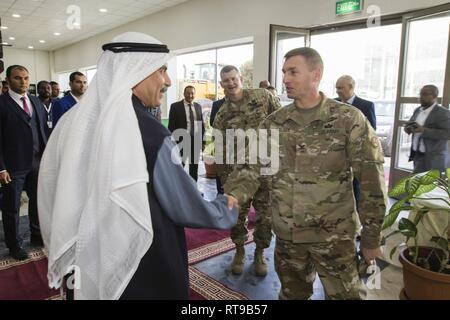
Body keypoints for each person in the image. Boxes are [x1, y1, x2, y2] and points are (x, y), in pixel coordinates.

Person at [37, 32, 238, 300]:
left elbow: (54, 186)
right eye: (162, 70)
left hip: (88, 253)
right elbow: (184, 205)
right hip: (141, 263)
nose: (167, 81)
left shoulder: (75, 120)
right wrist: (225, 208)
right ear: (137, 70)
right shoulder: (151, 133)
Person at [224, 47, 386, 299]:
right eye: (284, 72)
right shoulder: (274, 122)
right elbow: (250, 166)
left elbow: (371, 181)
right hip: (288, 239)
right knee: (291, 296)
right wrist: (233, 194)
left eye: (293, 72)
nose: (285, 79)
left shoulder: (348, 119)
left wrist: (371, 236)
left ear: (315, 74)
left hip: (334, 237)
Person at [213, 65, 281, 277]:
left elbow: (282, 122)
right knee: (237, 216)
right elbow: (221, 151)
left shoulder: (263, 97)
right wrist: (226, 183)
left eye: (233, 78)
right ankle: (240, 252)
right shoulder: (222, 115)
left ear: (240, 78)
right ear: (221, 84)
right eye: (226, 81)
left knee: (265, 216)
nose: (231, 83)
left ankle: (260, 253)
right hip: (238, 175)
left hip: (266, 172)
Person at [0, 65, 47, 261]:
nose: (24, 82)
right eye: (18, 78)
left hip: (37, 162)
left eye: (26, 78)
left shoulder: (35, 101)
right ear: (8, 80)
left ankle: (36, 235)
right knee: (12, 208)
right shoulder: (1, 104)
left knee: (38, 202)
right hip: (13, 166)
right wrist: (1, 167)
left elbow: (41, 130)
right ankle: (14, 244)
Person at [404, 84, 450, 173]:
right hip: (417, 155)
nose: (421, 97)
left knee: (430, 186)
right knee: (417, 184)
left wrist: (424, 130)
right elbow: (412, 124)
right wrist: (408, 128)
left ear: (434, 96)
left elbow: (447, 134)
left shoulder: (443, 113)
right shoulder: (418, 110)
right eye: (420, 94)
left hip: (434, 158)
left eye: (425, 94)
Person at [168, 85, 205, 181]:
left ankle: (193, 190)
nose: (190, 95)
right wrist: (173, 143)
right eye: (188, 93)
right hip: (181, 141)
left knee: (194, 169)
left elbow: (201, 125)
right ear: (184, 94)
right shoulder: (175, 107)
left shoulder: (198, 106)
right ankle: (178, 190)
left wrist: (202, 141)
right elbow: (171, 126)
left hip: (195, 141)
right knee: (179, 167)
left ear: (194, 94)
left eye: (192, 93)